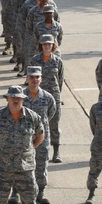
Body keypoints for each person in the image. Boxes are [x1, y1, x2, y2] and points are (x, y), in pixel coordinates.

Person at [22, 66, 56, 204]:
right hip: (23, 137)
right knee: (20, 165)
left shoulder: (47, 97)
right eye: (32, 77)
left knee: (41, 164)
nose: (34, 80)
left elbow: (51, 114)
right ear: (27, 78)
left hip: (41, 137)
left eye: (37, 77)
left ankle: (40, 192)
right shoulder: (21, 96)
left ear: (41, 79)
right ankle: (16, 192)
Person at [30, 34, 65, 163]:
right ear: (41, 46)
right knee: (36, 124)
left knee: (54, 124)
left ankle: (56, 151)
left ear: (53, 45)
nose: (47, 46)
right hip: (38, 96)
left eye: (49, 44)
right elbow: (30, 78)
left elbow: (60, 80)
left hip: (53, 96)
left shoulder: (57, 61)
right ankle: (35, 150)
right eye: (45, 44)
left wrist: (58, 94)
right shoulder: (35, 60)